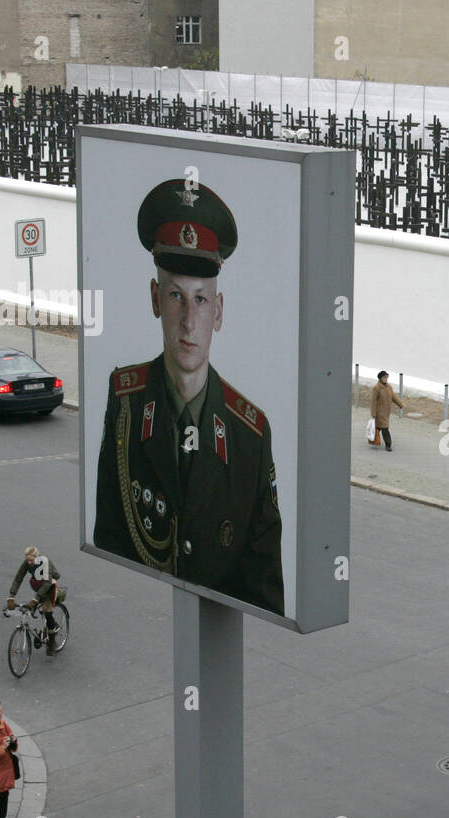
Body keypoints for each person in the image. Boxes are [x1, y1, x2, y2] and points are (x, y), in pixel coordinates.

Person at [94, 178, 284, 616]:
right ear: (155, 299)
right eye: (176, 296)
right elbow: (110, 536)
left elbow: (264, 587)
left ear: (218, 313)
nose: (187, 320)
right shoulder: (125, 400)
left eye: (201, 300)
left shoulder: (249, 433)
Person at [6, 546, 61, 654]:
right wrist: (11, 596)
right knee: (31, 608)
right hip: (39, 585)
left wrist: (35, 599)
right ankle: (44, 632)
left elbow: (47, 583)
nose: (29, 562)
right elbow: (19, 577)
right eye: (28, 560)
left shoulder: (44, 562)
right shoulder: (27, 562)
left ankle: (52, 642)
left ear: (37, 557)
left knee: (47, 611)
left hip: (49, 587)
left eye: (31, 560)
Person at [370, 371, 405, 452]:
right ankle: (388, 445)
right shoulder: (376, 388)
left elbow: (393, 397)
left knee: (378, 427)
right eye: (384, 377)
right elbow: (373, 402)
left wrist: (401, 404)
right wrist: (373, 414)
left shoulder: (389, 386)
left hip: (387, 412)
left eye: (386, 377)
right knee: (385, 428)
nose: (386, 379)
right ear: (380, 378)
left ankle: (373, 439)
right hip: (379, 413)